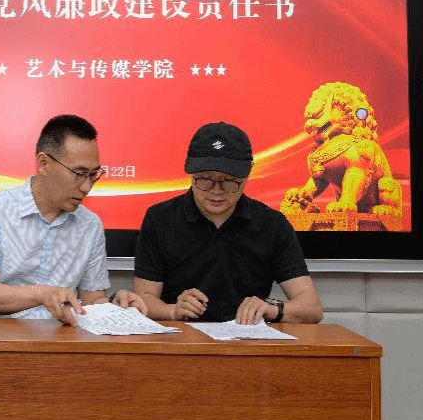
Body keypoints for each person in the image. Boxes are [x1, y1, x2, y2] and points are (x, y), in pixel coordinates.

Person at [0, 114, 146, 325]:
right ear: (44, 163)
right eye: (79, 174)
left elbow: (92, 299)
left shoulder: (90, 224)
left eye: (93, 175)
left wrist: (117, 305)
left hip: (61, 337)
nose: (86, 187)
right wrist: (43, 294)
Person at [133, 121, 323, 324]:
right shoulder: (160, 218)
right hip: (180, 337)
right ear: (191, 174)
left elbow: (311, 308)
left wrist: (271, 310)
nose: (216, 191)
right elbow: (144, 299)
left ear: (248, 173)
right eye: (205, 179)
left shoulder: (273, 225)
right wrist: (173, 311)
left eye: (230, 181)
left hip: (246, 338)